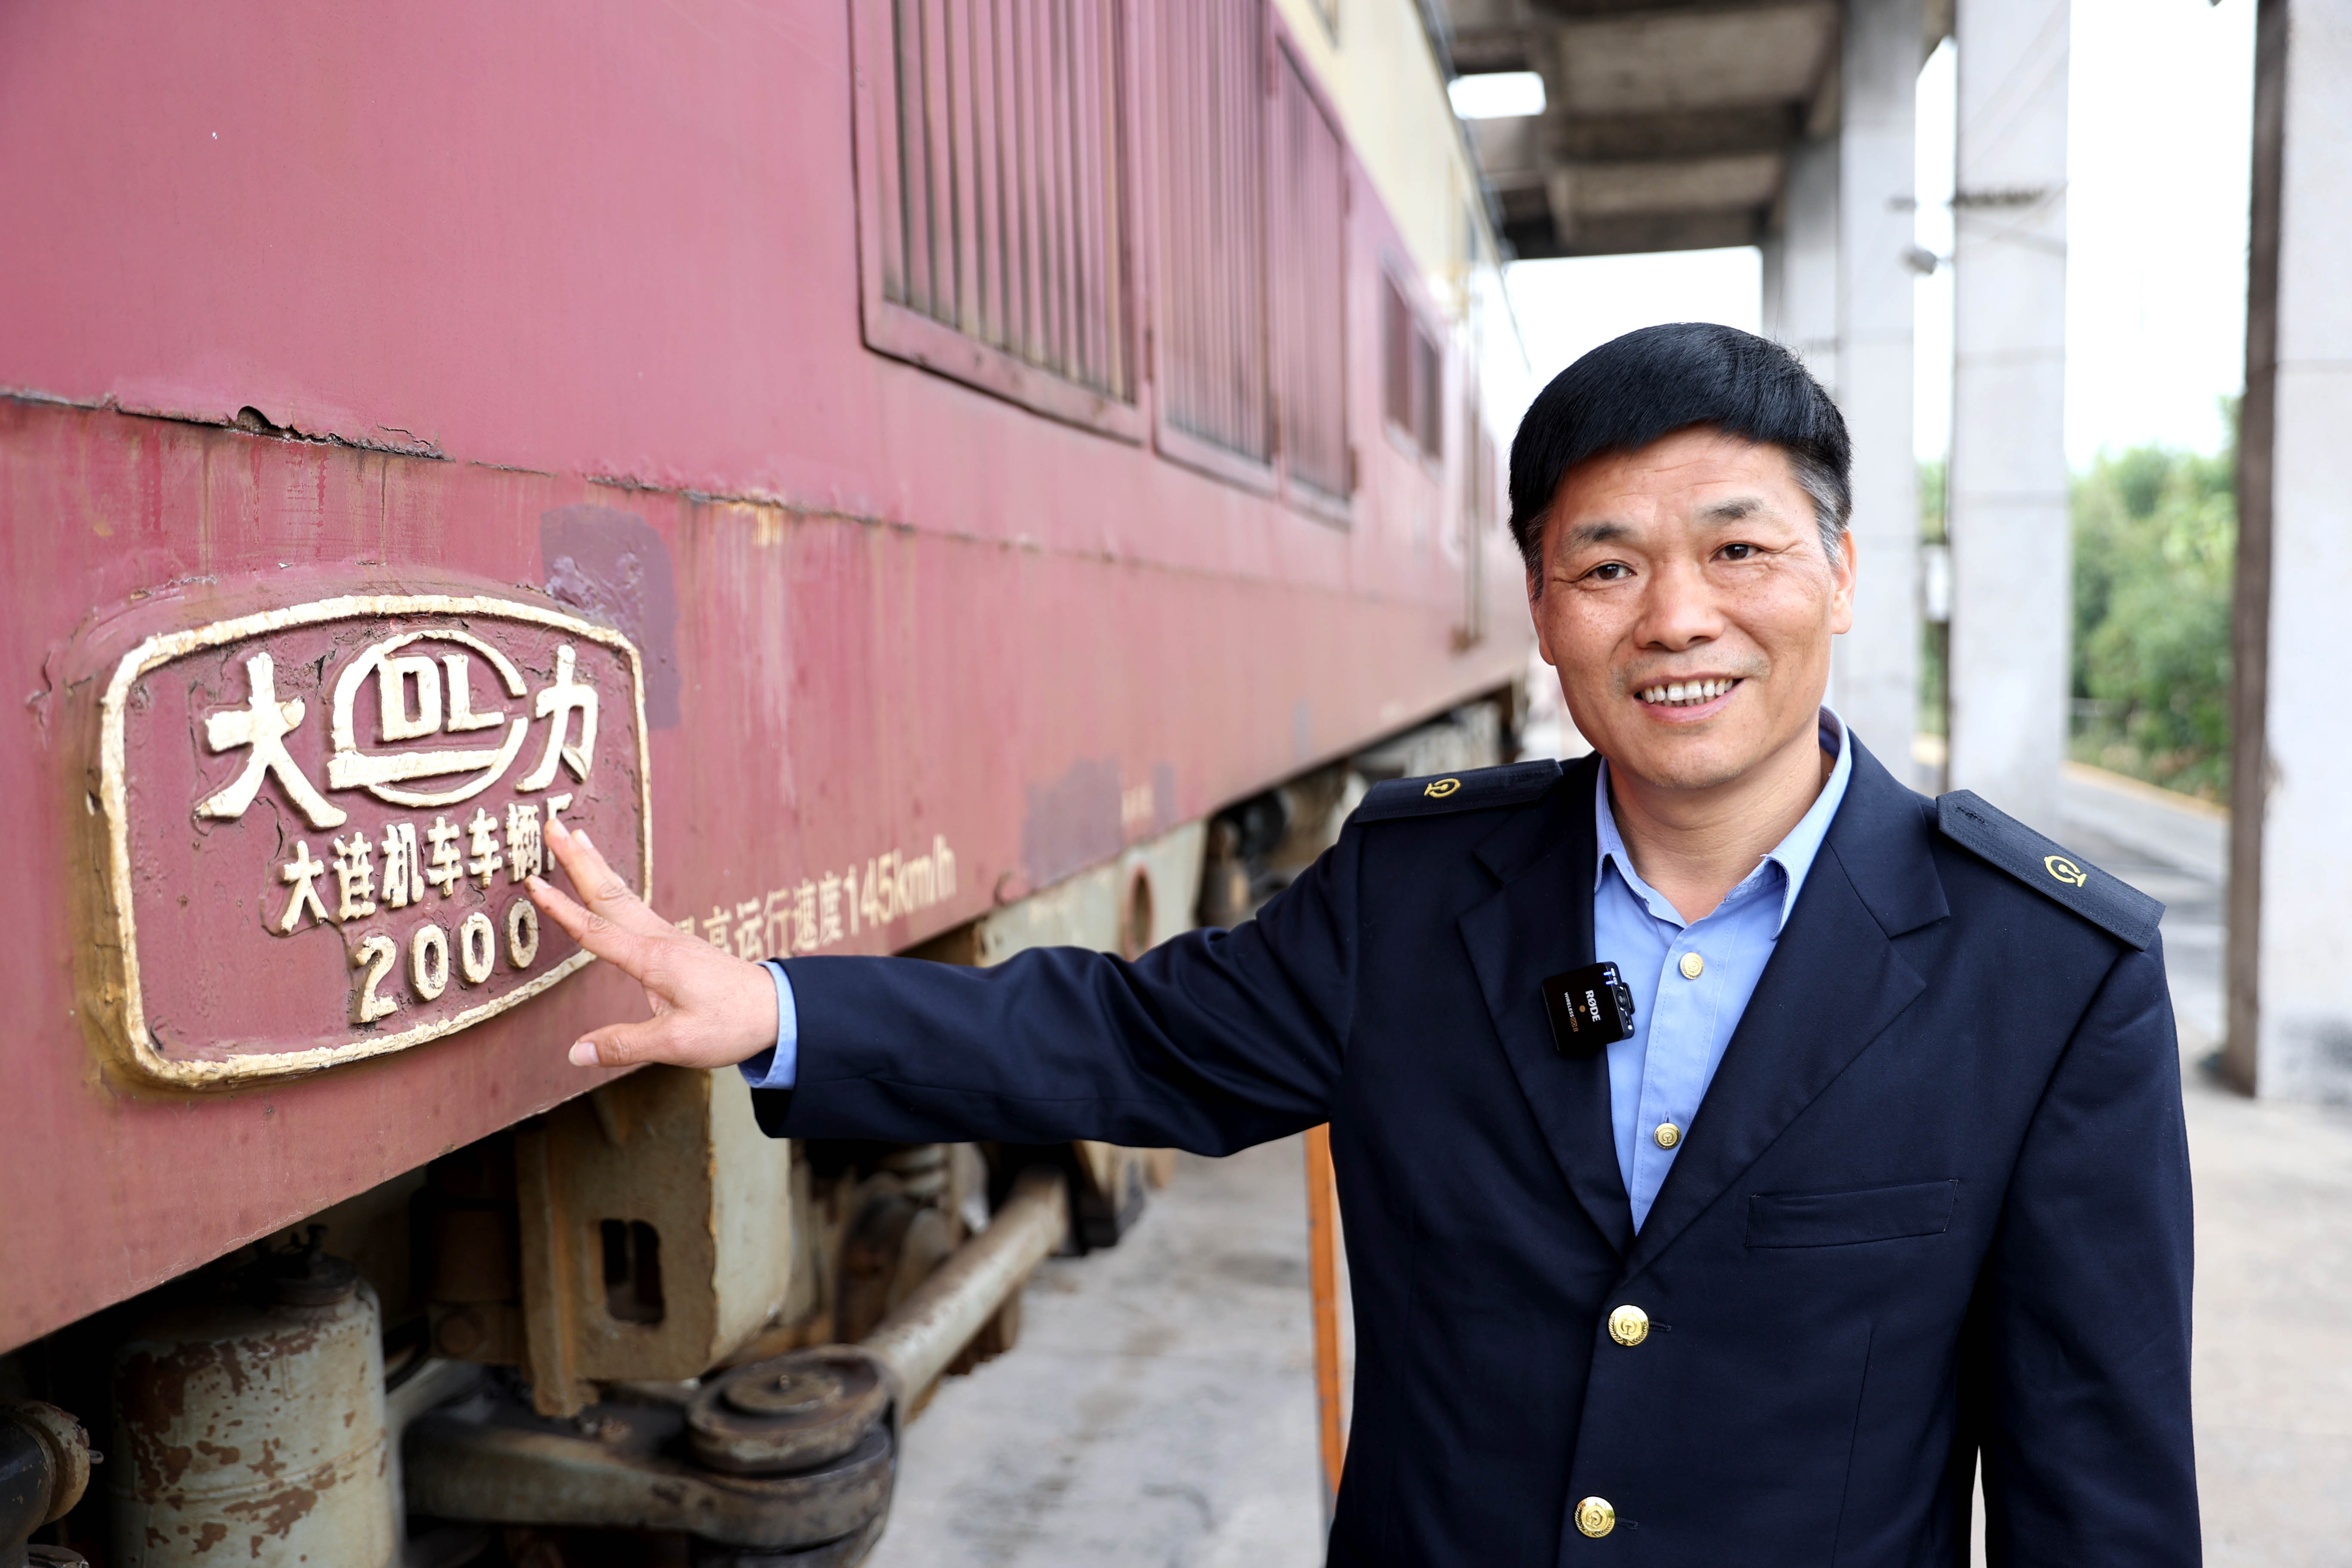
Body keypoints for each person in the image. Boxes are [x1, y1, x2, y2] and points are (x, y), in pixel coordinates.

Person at [526, 323, 2197, 1566]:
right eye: (1609, 565)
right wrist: (775, 1007)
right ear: (1542, 613)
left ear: (1839, 575)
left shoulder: (2048, 974)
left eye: (1738, 551)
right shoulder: (1419, 890)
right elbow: (1130, 1043)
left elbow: (2098, 1489)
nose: (1678, 616)